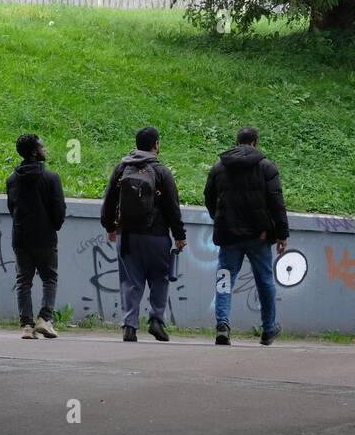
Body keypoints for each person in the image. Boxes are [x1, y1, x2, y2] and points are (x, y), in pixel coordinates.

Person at [204, 126, 289, 346]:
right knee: (264, 280)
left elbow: (209, 197)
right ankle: (269, 329)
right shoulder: (266, 167)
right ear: (255, 142)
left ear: (236, 141)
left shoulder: (219, 167)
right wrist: (281, 234)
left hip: (229, 235)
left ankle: (222, 325)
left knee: (224, 278)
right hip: (259, 236)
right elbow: (277, 203)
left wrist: (219, 218)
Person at [100, 126, 185, 342]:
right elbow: (172, 208)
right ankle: (156, 320)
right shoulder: (161, 172)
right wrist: (179, 235)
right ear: (156, 145)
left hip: (128, 236)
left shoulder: (122, 168)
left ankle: (129, 325)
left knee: (130, 281)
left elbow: (109, 201)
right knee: (160, 279)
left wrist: (110, 227)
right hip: (156, 236)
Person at [6, 134, 66, 339]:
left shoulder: (13, 179)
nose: (45, 149)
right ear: (34, 151)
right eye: (42, 146)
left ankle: (26, 326)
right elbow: (58, 210)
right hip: (45, 237)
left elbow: (11, 209)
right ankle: (45, 319)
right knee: (49, 278)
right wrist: (53, 226)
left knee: (24, 280)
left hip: (20, 238)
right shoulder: (51, 178)